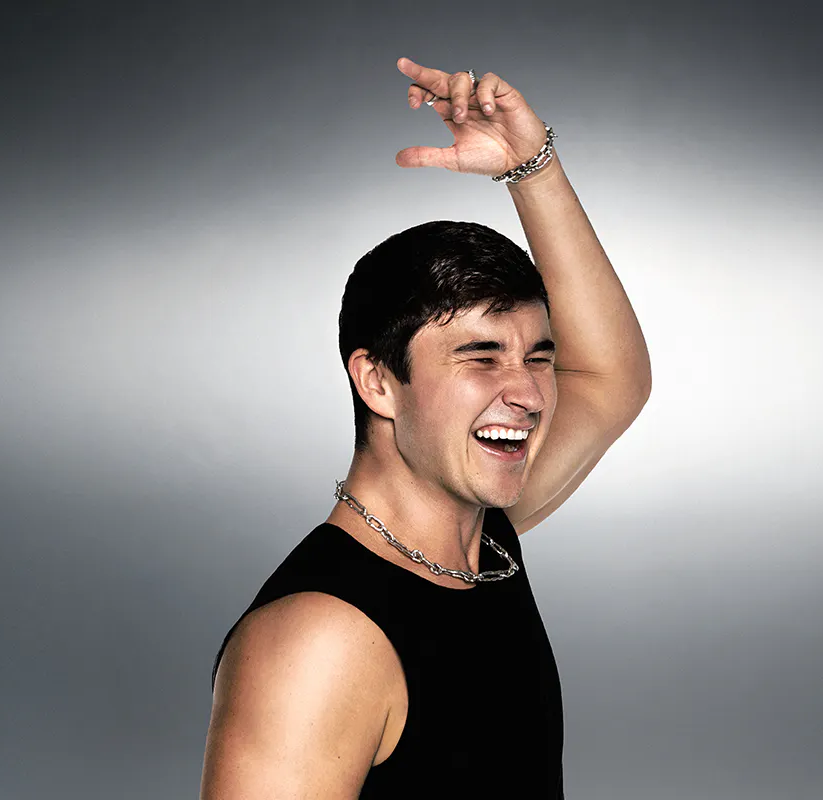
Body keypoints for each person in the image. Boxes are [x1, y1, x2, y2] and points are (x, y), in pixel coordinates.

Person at [199, 57, 651, 799]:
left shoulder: (480, 543)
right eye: (480, 358)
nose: (527, 394)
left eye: (538, 358)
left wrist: (532, 169)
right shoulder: (316, 640)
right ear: (379, 381)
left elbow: (610, 379)